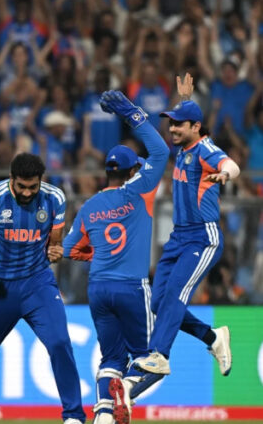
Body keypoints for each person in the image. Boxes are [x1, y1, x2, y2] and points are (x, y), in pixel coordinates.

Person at [0, 153, 86, 424]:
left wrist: (56, 251)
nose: (26, 192)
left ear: (41, 181)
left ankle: (73, 416)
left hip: (38, 283)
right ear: (11, 178)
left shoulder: (55, 198)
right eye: (21, 186)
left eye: (32, 187)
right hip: (0, 286)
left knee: (60, 342)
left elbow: (55, 243)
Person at [62, 90, 170, 424]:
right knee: (153, 360)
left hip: (98, 288)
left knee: (110, 358)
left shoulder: (89, 206)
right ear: (134, 169)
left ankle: (104, 416)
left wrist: (95, 255)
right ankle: (125, 389)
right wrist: (131, 113)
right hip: (132, 287)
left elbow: (68, 249)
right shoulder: (140, 190)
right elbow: (161, 150)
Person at [132, 74, 237, 381]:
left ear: (196, 127)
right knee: (159, 303)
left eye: (179, 124)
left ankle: (159, 355)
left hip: (203, 237)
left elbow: (230, 164)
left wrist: (225, 175)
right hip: (178, 237)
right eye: (172, 124)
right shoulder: (183, 146)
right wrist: (185, 101)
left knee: (177, 292)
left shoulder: (206, 149)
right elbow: (188, 121)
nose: (173, 129)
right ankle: (213, 338)